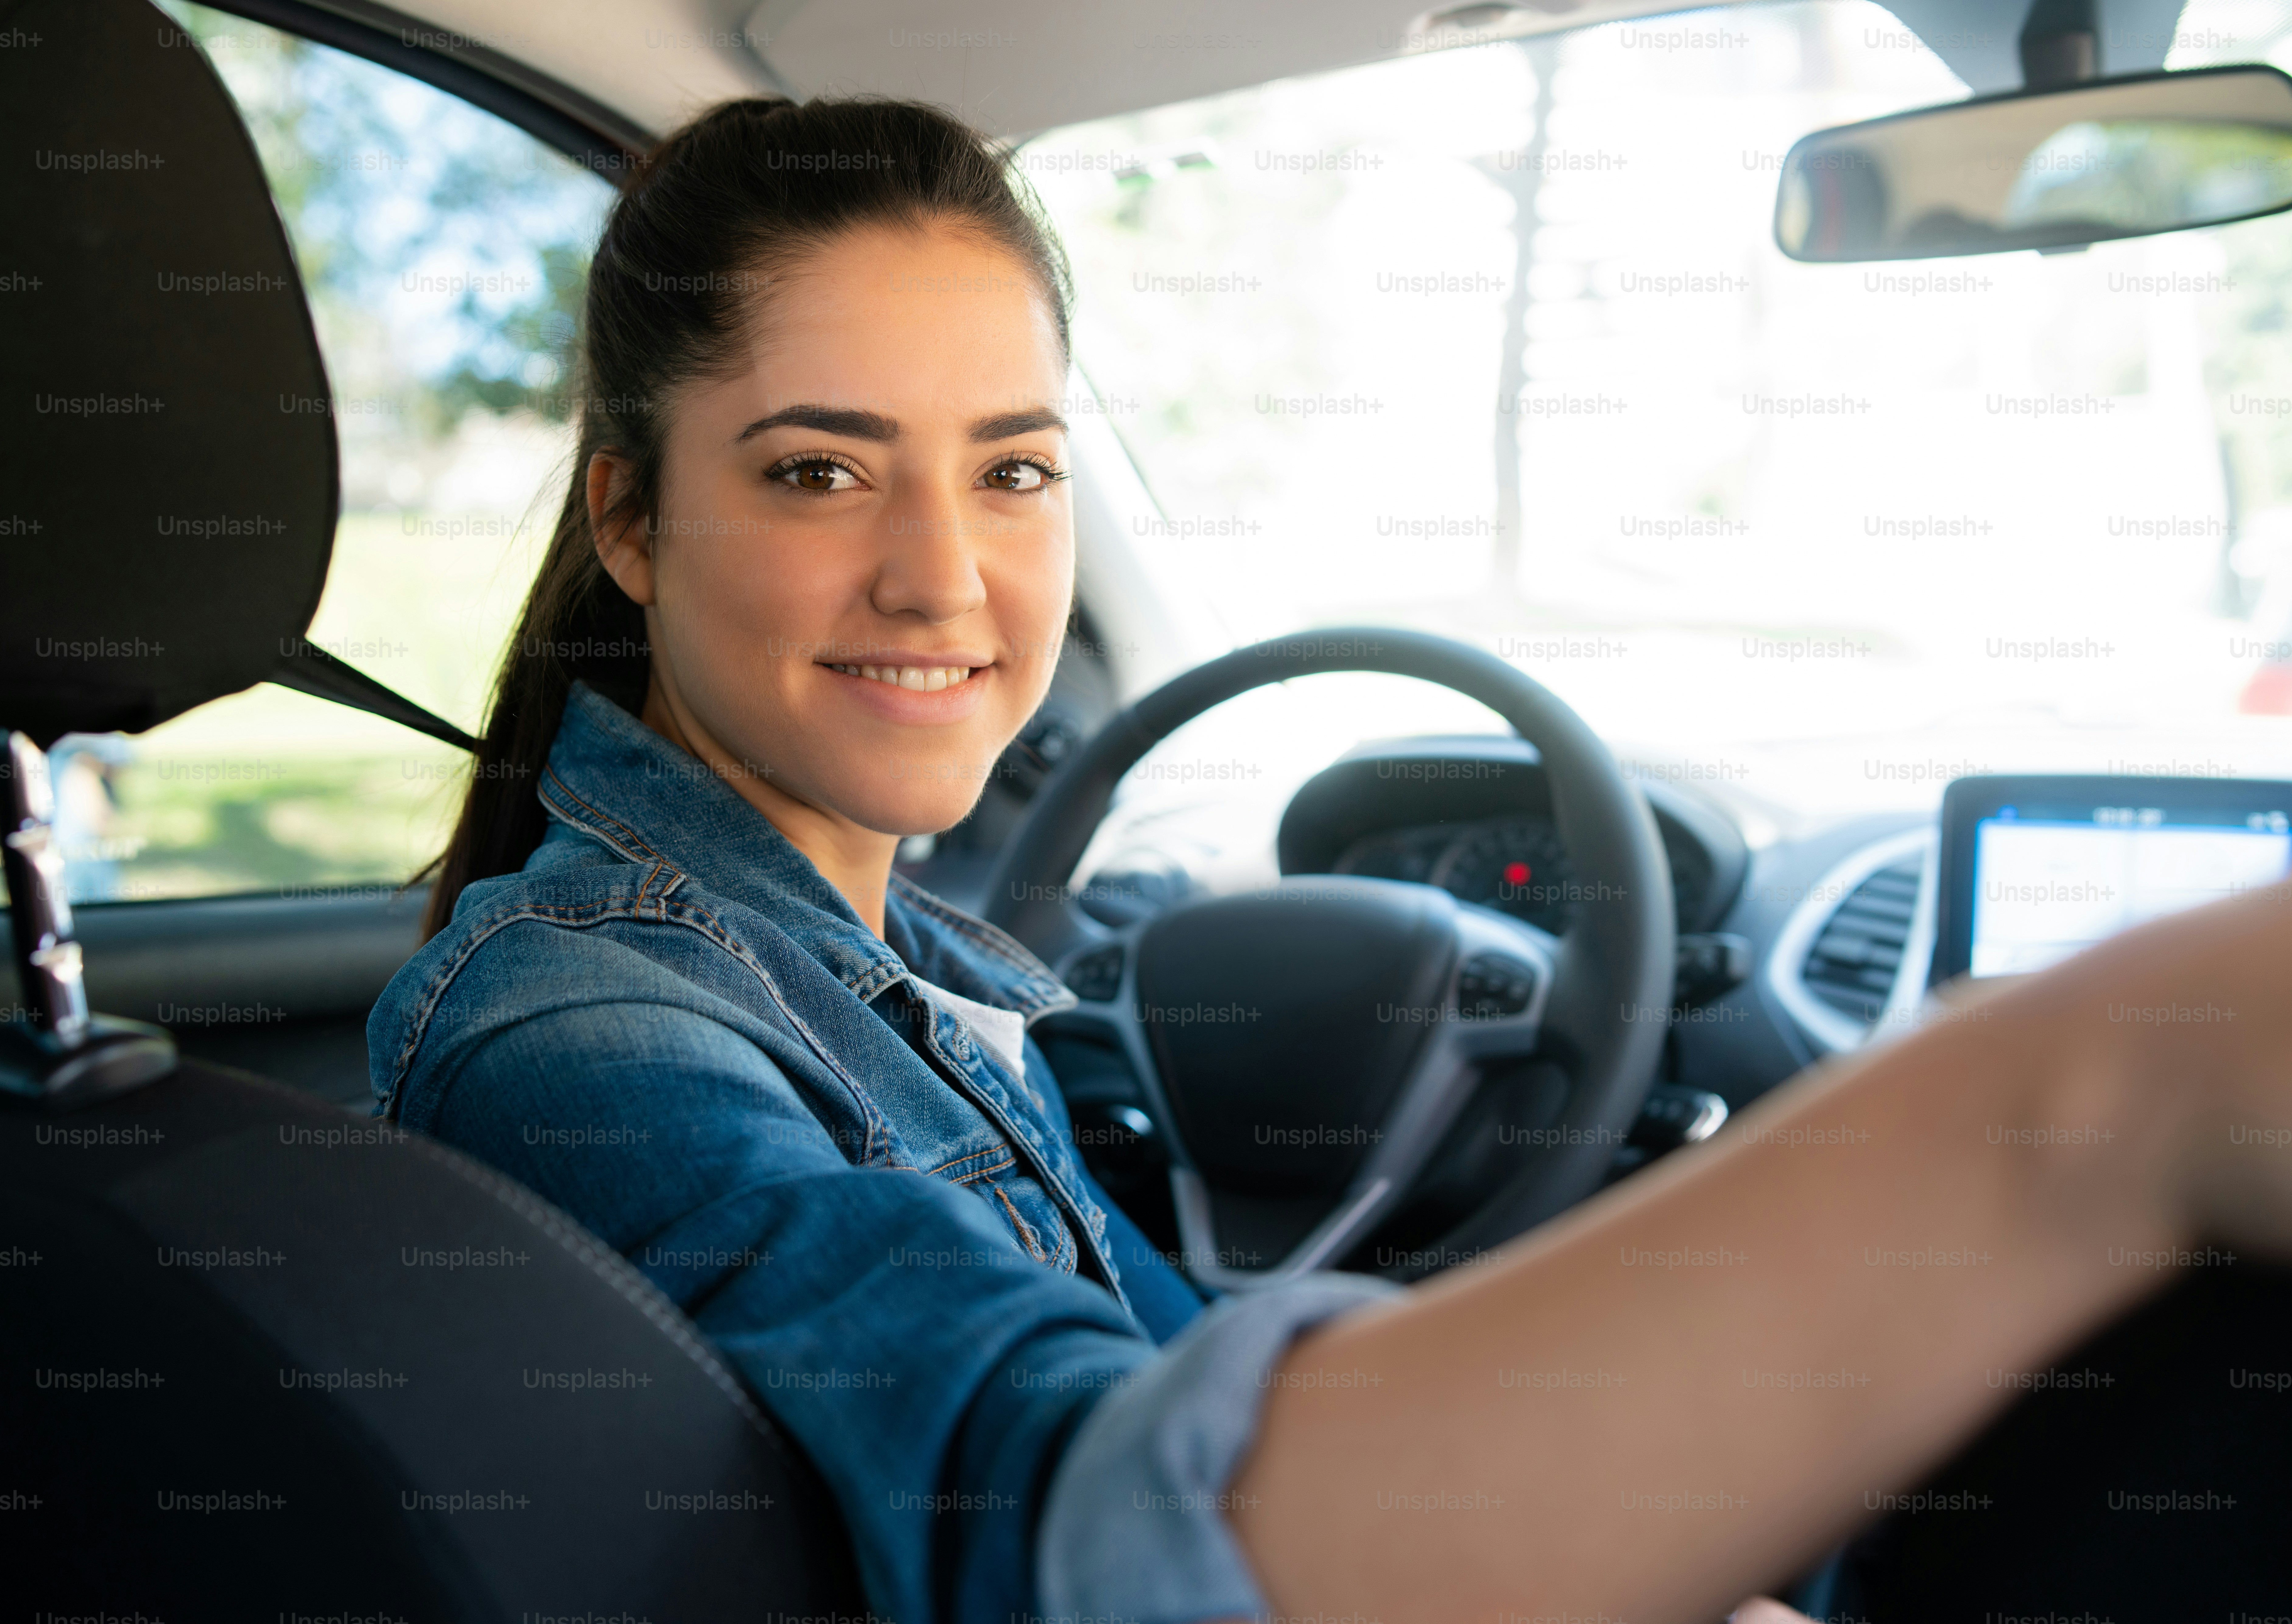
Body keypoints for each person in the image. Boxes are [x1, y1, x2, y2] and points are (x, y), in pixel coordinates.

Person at [368, 94, 2292, 1624]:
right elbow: (1074, 1529)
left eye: (1014, 468)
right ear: (632, 519)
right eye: (819, 468)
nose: (943, 574)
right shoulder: (580, 1033)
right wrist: (2085, 1088)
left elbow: (1171, 1365)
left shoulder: (905, 988)